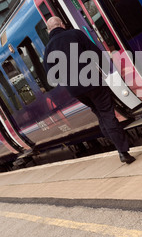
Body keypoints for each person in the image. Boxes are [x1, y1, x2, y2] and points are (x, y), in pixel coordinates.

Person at [44, 16, 135, 164]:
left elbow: (52, 77)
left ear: (49, 30)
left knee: (100, 113)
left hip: (75, 89)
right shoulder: (75, 34)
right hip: (92, 82)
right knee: (107, 113)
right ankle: (123, 151)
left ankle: (115, 140)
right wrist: (107, 72)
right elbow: (96, 54)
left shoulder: (48, 48)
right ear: (62, 24)